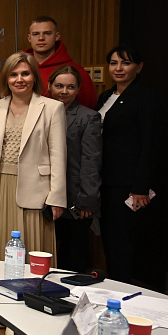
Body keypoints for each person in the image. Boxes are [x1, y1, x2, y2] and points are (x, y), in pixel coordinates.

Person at [0, 53, 66, 261]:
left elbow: (58, 155)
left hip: (37, 191)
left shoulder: (52, 108)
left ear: (35, 77)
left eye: (25, 73)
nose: (20, 79)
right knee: (1, 252)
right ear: (6, 78)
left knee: (32, 251)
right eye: (13, 74)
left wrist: (57, 198)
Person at [96, 45, 159, 283]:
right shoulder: (106, 96)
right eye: (114, 63)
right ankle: (115, 287)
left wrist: (141, 186)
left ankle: (126, 290)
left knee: (123, 243)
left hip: (129, 185)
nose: (119, 68)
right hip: (106, 180)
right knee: (110, 239)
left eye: (126, 63)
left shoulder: (145, 97)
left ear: (139, 67)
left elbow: (150, 144)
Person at [49, 66, 102, 272]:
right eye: (59, 86)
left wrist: (87, 199)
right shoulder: (40, 112)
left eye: (70, 87)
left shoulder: (88, 117)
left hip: (75, 198)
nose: (64, 91)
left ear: (78, 89)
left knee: (73, 256)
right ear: (50, 86)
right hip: (44, 195)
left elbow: (91, 160)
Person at [24, 16, 95, 107]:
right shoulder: (18, 69)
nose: (41, 38)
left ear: (57, 36)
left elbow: (88, 109)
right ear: (29, 38)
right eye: (36, 34)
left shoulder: (77, 71)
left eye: (47, 33)